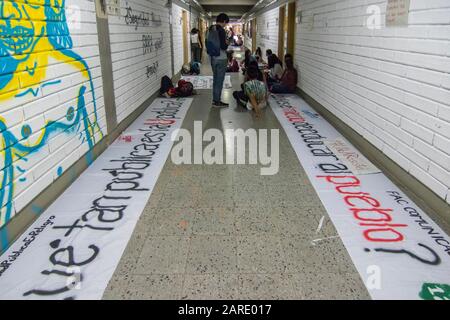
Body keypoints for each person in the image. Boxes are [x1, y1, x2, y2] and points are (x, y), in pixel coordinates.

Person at [207, 13, 230, 107]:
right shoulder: (221, 30)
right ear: (224, 21)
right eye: (226, 23)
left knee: (215, 79)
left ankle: (215, 99)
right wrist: (227, 43)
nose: (226, 25)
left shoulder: (211, 29)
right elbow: (223, 47)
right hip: (221, 58)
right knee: (219, 81)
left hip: (213, 58)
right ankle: (217, 101)